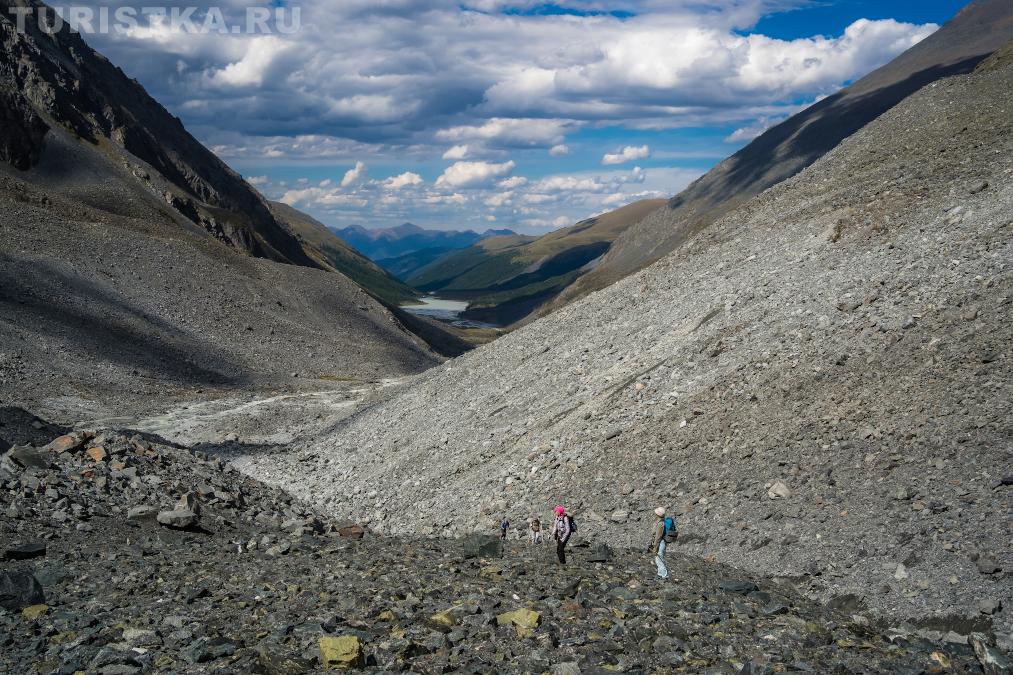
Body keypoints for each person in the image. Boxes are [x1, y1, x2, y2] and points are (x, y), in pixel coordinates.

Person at [650, 506, 669, 580]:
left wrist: (655, 546)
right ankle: (660, 574)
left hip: (660, 543)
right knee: (659, 558)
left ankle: (664, 575)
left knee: (659, 558)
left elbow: (658, 536)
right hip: (661, 542)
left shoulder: (660, 524)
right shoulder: (661, 521)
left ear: (658, 514)